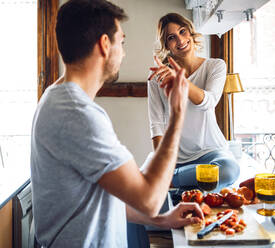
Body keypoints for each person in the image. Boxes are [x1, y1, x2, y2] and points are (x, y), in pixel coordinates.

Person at [30, 1, 204, 247]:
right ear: (104, 44)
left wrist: (164, 220)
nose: (123, 52)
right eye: (121, 42)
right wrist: (177, 114)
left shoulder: (55, 96)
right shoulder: (78, 114)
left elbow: (107, 195)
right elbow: (150, 199)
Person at [147, 13, 240, 190]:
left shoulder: (215, 66)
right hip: (174, 158)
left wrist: (181, 80)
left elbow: (208, 102)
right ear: (166, 45)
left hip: (212, 153)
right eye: (171, 37)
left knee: (229, 170)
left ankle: (172, 181)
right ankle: (179, 179)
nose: (180, 40)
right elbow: (156, 125)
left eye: (183, 32)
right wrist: (162, 165)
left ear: (191, 33)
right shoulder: (156, 78)